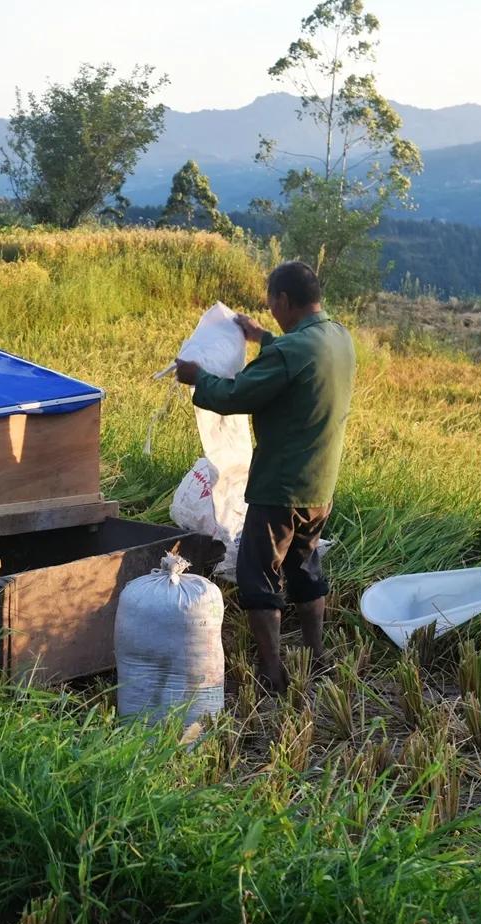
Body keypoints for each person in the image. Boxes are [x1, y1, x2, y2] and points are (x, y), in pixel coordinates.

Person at [175, 261, 356, 693]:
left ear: (284, 301)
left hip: (280, 487)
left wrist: (198, 378)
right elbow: (298, 354)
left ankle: (272, 674)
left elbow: (236, 394)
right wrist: (262, 337)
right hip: (320, 485)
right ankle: (318, 655)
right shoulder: (338, 337)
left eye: (272, 304)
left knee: (259, 577)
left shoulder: (288, 353)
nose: (270, 311)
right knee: (305, 566)